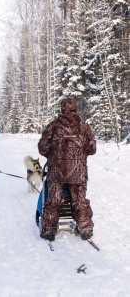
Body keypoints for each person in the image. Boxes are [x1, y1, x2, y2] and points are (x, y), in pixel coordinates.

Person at [38, 98, 96, 241]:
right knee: (80, 200)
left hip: (57, 172)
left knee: (54, 200)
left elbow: (43, 148)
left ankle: (48, 231)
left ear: (62, 109)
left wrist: (55, 153)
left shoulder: (52, 126)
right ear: (75, 109)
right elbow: (92, 148)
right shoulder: (85, 127)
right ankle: (86, 230)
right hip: (78, 172)